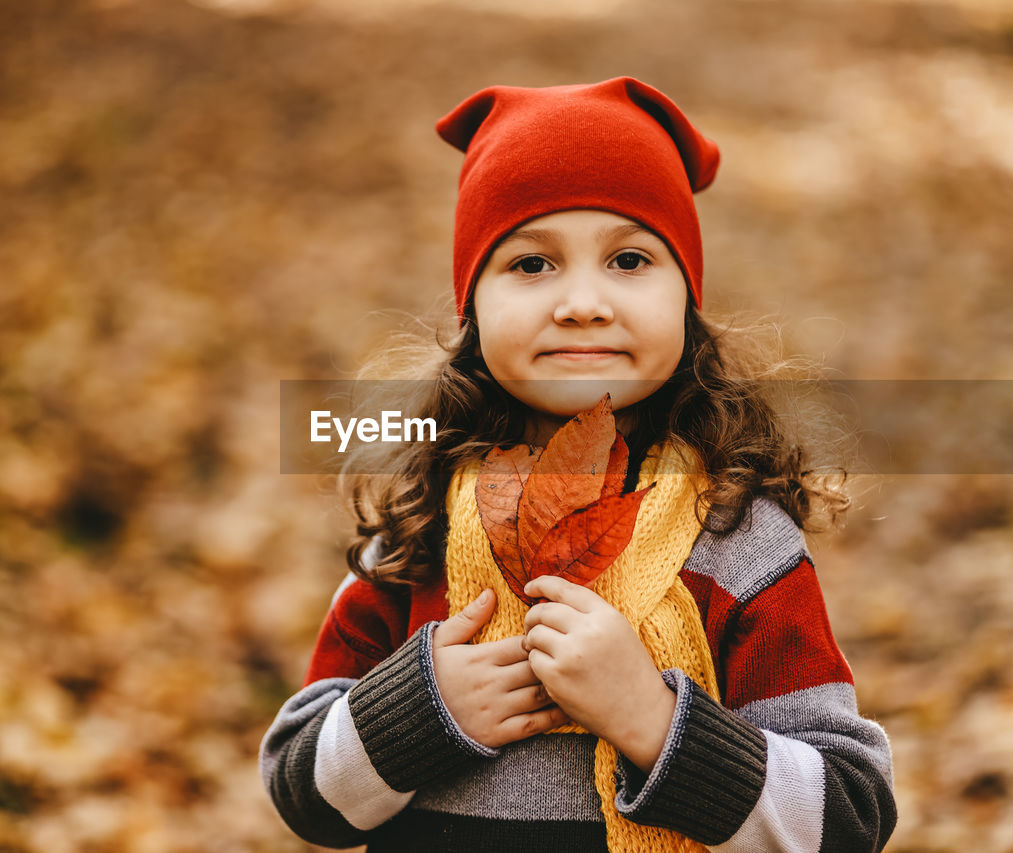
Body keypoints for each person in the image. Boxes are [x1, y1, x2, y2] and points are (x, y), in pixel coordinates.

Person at [260, 77, 897, 852]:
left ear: (686, 298)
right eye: (532, 265)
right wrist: (417, 714)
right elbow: (301, 790)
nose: (582, 302)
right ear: (473, 307)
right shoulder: (424, 522)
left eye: (629, 259)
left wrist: (654, 722)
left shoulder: (738, 541)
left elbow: (849, 818)